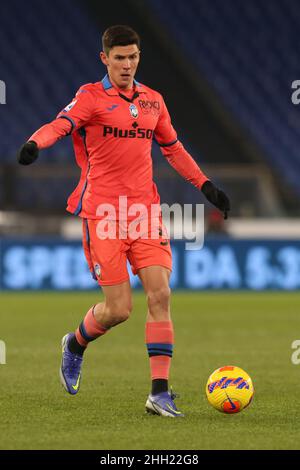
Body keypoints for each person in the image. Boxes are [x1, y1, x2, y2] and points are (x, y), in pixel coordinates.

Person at [17, 25, 230, 418]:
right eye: (119, 58)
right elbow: (59, 125)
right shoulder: (91, 97)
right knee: (118, 309)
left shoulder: (153, 101)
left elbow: (174, 148)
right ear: (105, 59)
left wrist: (206, 186)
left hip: (144, 212)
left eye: (133, 57)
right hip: (102, 214)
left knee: (160, 294)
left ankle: (159, 394)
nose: (127, 65)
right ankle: (75, 345)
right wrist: (35, 144)